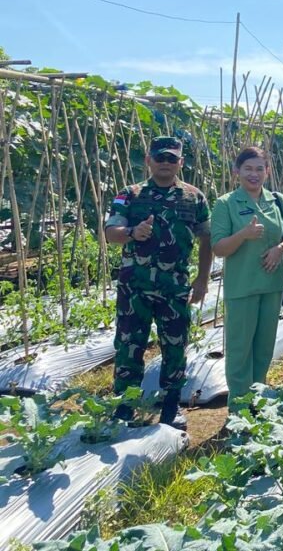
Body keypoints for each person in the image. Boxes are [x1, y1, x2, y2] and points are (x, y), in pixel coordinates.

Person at [104, 136, 211, 429]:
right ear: (148, 160)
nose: (165, 163)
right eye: (160, 157)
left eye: (171, 158)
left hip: (174, 287)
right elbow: (110, 232)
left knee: (175, 346)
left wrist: (202, 279)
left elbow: (207, 239)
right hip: (134, 288)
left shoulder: (194, 197)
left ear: (180, 162)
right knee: (129, 344)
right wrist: (131, 232)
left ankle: (171, 406)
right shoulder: (130, 194)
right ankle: (124, 405)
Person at [210, 147, 283, 409]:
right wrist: (243, 235)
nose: (254, 174)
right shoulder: (226, 203)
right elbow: (219, 248)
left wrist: (280, 249)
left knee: (263, 349)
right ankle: (239, 410)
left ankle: (257, 403)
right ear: (236, 171)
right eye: (248, 168)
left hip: (272, 284)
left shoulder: (278, 201)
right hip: (242, 285)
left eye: (259, 169)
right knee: (240, 350)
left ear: (267, 172)